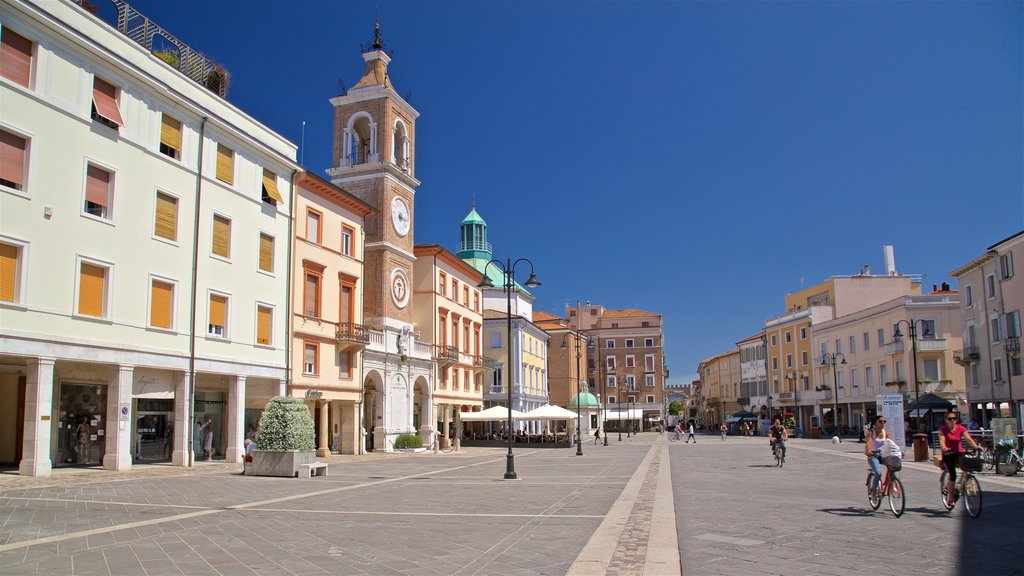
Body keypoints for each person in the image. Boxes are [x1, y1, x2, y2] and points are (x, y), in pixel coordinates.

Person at [939, 411, 979, 507]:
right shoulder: (943, 429)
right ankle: (950, 497)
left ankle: (960, 485)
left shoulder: (961, 428)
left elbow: (968, 438)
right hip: (948, 453)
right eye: (950, 419)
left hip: (958, 452)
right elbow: (942, 440)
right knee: (953, 474)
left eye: (954, 418)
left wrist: (976, 447)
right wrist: (944, 448)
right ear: (946, 420)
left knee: (967, 467)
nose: (952, 420)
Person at [865, 415, 890, 493]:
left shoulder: (886, 433)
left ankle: (891, 482)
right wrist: (869, 451)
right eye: (880, 421)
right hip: (873, 455)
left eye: (884, 421)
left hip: (883, 454)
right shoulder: (871, 432)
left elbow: (891, 444)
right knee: (878, 473)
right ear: (875, 423)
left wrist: (898, 451)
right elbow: (869, 442)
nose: (882, 423)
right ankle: (874, 490)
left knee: (893, 467)